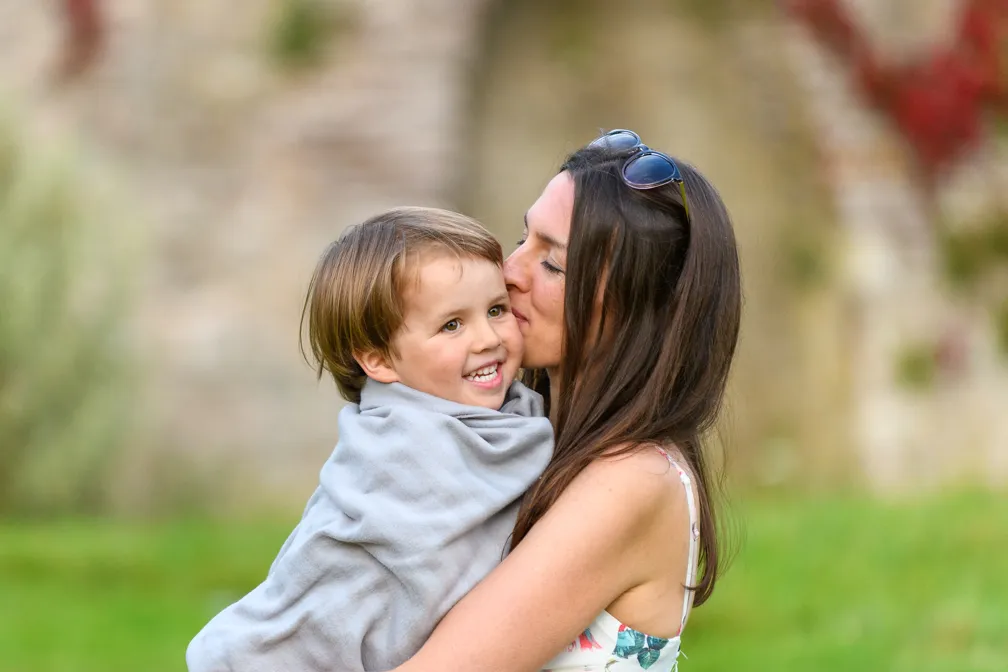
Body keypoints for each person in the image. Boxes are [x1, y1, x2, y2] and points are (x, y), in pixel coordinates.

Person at [393, 130, 742, 672]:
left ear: (639, 313)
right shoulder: (535, 442)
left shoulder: (630, 481)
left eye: (553, 265)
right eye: (522, 238)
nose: (510, 272)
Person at [185, 207, 554, 672]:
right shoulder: (398, 451)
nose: (487, 338)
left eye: (496, 310)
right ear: (378, 361)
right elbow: (337, 574)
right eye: (452, 325)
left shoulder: (512, 416)